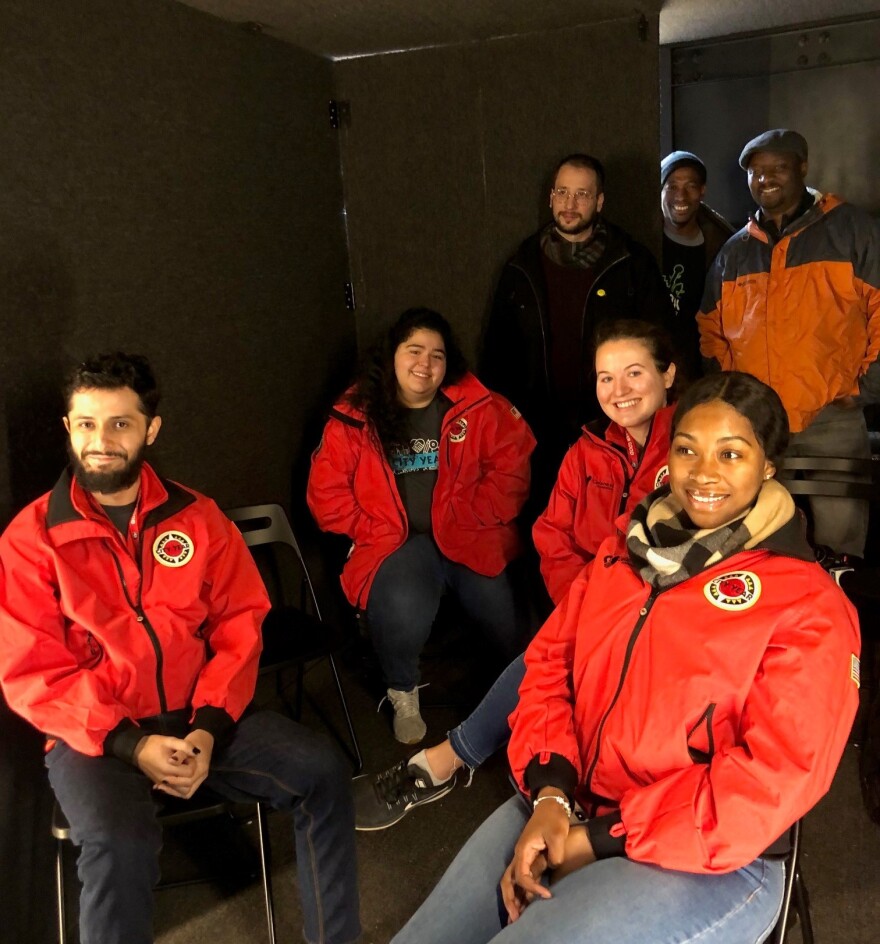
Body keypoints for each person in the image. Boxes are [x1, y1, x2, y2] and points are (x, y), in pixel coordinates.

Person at [390, 371, 860, 944]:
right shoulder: (619, 555)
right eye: (687, 450)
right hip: (568, 802)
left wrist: (602, 837)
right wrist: (552, 794)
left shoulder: (809, 603)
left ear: (767, 466)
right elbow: (547, 669)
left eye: (731, 453)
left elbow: (772, 779)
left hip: (710, 855)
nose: (704, 472)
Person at [0, 353, 360, 944]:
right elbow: (34, 673)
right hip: (99, 738)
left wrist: (209, 728)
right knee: (120, 842)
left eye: (119, 423)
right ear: (67, 428)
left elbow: (241, 624)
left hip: (200, 718)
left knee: (322, 770)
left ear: (151, 429)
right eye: (86, 423)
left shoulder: (199, 517)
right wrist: (131, 744)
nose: (100, 440)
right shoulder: (30, 539)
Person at [354, 319, 678, 830]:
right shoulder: (585, 450)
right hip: (590, 604)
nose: (619, 391)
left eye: (634, 374)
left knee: (543, 658)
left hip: (661, 616)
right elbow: (553, 534)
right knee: (549, 659)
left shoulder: (692, 452)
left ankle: (452, 761)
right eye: (605, 378)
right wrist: (583, 599)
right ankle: (523, 780)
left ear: (669, 375)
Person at [307, 308, 535, 745]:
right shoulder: (354, 417)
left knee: (504, 615)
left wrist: (469, 517)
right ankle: (402, 692)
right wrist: (371, 530)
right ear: (392, 355)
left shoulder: (479, 408)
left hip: (468, 533)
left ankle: (523, 693)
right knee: (400, 609)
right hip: (396, 543)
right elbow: (326, 496)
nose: (425, 365)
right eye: (415, 351)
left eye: (437, 355)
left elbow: (511, 475)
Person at [698, 128, 880, 559]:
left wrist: (866, 388)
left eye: (777, 168)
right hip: (757, 426)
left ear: (802, 168)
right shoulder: (733, 252)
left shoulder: (852, 229)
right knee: (759, 542)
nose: (765, 179)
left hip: (832, 417)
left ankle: (836, 616)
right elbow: (710, 330)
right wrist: (733, 394)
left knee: (841, 543)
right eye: (756, 172)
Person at [482, 153, 674, 510]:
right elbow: (498, 350)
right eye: (562, 192)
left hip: (611, 423)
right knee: (545, 523)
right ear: (550, 196)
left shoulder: (631, 262)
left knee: (606, 521)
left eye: (582, 195)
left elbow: (662, 341)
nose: (570, 204)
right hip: (537, 428)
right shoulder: (521, 264)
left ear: (599, 201)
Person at [660, 150, 734, 375]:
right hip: (652, 364)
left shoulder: (723, 245)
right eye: (671, 186)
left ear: (702, 191)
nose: (680, 195)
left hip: (699, 369)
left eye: (690, 186)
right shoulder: (641, 238)